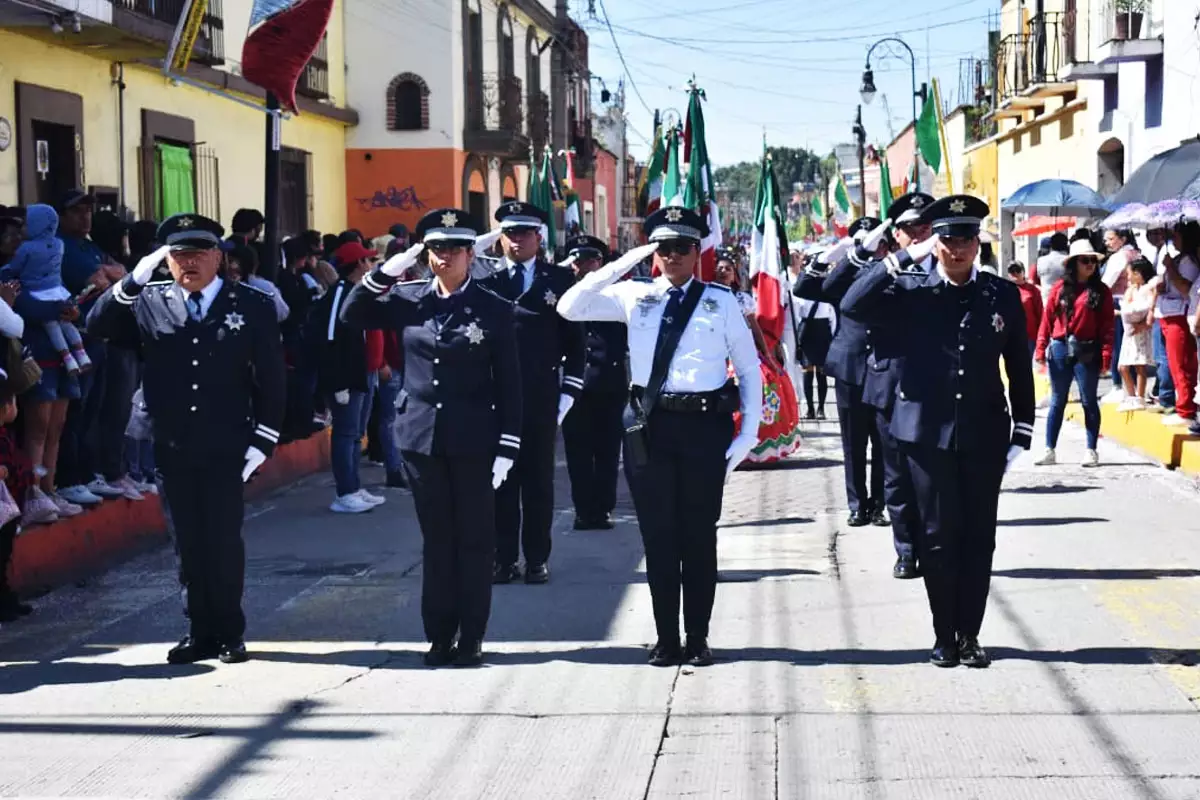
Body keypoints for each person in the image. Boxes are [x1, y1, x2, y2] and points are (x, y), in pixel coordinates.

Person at [557, 206, 761, 668]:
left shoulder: (721, 300)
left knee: (699, 535)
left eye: (682, 247)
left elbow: (748, 370)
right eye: (663, 247)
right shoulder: (634, 295)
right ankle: (667, 637)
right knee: (659, 537)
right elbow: (570, 307)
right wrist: (626, 259)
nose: (672, 256)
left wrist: (747, 432)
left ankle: (699, 637)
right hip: (651, 428)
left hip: (704, 428)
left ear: (697, 251)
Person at [841, 194, 1035, 668]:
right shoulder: (911, 292)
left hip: (985, 434)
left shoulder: (1001, 295)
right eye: (948, 238)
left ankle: (969, 634)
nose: (957, 248)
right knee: (937, 536)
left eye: (966, 238)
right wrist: (905, 255)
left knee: (979, 537)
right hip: (925, 436)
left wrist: (1023, 431)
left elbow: (1019, 367)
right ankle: (943, 633)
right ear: (936, 242)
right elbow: (851, 301)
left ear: (978, 242)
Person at [87, 213, 285, 665]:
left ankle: (230, 632)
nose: (188, 263)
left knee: (222, 539)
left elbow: (271, 378)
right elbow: (97, 325)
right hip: (172, 442)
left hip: (227, 442)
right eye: (178, 255)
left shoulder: (251, 304)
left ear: (219, 256)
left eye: (198, 253)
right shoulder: (149, 300)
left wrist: (263, 441)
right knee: (186, 542)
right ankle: (199, 630)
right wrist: (134, 279)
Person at [342, 208, 521, 667]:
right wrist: (391, 267)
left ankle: (472, 637)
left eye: (453, 249)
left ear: (470, 253)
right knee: (437, 540)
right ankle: (440, 635)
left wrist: (507, 447)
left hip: (476, 439)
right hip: (420, 438)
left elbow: (511, 384)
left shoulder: (495, 309)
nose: (443, 258)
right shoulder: (409, 298)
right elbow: (353, 313)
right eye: (435, 249)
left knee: (475, 540)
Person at [476, 201, 585, 585]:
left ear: (539, 236)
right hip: (497, 402)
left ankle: (537, 557)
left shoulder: (559, 281)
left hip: (540, 401)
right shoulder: (486, 283)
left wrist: (569, 392)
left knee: (538, 484)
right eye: (509, 233)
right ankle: (503, 558)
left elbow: (576, 343)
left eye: (524, 233)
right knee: (500, 483)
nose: (516, 240)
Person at [310, 240, 388, 514]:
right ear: (357, 265)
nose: (371, 264)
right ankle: (345, 492)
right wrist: (339, 380)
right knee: (345, 433)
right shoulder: (339, 294)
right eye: (367, 260)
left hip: (364, 374)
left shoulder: (360, 292)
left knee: (355, 434)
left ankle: (354, 487)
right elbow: (331, 338)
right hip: (347, 378)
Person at [561, 235, 629, 530]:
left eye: (591, 260)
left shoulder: (616, 295)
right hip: (573, 387)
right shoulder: (563, 296)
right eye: (578, 260)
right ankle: (582, 509)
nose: (584, 266)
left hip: (609, 383)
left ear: (602, 263)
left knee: (607, 451)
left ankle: (602, 508)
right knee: (577, 452)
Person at [714, 248, 800, 464]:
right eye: (720, 268)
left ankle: (754, 448)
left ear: (735, 274)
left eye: (728, 269)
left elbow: (755, 329)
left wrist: (767, 354)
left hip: (743, 354)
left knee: (764, 389)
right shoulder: (707, 297)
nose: (723, 272)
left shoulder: (742, 300)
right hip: (716, 356)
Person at [1034, 239, 1114, 468]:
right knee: (1058, 400)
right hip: (1060, 347)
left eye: (1093, 261)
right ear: (1074, 263)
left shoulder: (1101, 291)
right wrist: (1040, 348)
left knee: (1089, 400)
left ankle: (1091, 450)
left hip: (1087, 349)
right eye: (1085, 260)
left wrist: (1106, 355)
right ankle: (1049, 449)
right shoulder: (1060, 288)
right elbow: (1047, 319)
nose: (1090, 264)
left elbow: (1108, 326)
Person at [1099, 229, 1138, 405]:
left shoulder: (1119, 257)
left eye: (1110, 239)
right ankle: (1132, 386)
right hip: (1135, 301)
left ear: (1122, 239)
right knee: (1132, 346)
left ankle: (1118, 386)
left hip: (1117, 302)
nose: (1107, 242)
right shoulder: (1137, 254)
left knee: (1117, 345)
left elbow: (1106, 283)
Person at [1121, 257, 1157, 410]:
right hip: (1129, 331)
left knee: (1139, 365)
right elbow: (1126, 305)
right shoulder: (1133, 289)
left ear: (1138, 273)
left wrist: (1142, 325)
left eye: (1129, 273)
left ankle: (1140, 397)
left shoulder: (1149, 288)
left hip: (1141, 331)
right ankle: (1131, 396)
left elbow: (1150, 309)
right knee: (1123, 367)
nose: (1127, 276)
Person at [1006, 262, 1043, 358]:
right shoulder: (1004, 289)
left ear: (1023, 272)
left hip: (1029, 336)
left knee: (1025, 365)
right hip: (1009, 336)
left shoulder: (1033, 290)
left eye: (1017, 270)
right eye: (1011, 271)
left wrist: (1041, 336)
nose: (1015, 273)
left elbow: (1040, 313)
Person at [1030, 232, 1069, 310]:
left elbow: (1035, 279)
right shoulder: (1070, 260)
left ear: (1051, 246)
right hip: (1066, 305)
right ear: (1066, 245)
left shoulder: (1040, 261)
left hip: (1046, 303)